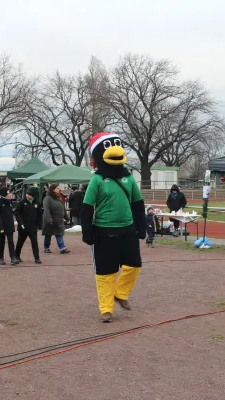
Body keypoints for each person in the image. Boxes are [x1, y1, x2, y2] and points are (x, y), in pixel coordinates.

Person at [81, 132, 146, 323]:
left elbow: (138, 203)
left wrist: (141, 227)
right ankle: (106, 308)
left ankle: (121, 293)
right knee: (105, 273)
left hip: (128, 230)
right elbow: (86, 207)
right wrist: (87, 231)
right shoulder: (97, 180)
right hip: (103, 232)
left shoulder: (129, 178)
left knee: (134, 266)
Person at [14, 187, 43, 264]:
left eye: (29, 194)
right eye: (27, 194)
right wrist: (20, 223)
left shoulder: (37, 203)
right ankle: (16, 256)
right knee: (20, 242)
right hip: (23, 227)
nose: (27, 196)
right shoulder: (22, 202)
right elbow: (17, 213)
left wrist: (39, 225)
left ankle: (37, 258)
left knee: (34, 242)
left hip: (32, 227)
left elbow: (39, 214)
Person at [0, 187, 19, 266]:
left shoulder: (9, 202)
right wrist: (0, 228)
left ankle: (13, 257)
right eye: (8, 193)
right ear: (4, 194)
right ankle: (1, 258)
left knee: (11, 241)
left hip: (9, 226)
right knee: (1, 242)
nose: (10, 195)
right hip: (1, 227)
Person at [42, 183, 70, 254]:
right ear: (53, 190)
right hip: (50, 221)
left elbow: (63, 209)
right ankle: (46, 248)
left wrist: (67, 218)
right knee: (48, 235)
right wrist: (49, 220)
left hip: (58, 221)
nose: (59, 189)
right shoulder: (47, 198)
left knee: (59, 234)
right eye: (57, 188)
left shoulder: (59, 198)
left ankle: (62, 248)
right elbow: (46, 210)